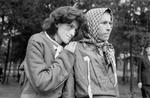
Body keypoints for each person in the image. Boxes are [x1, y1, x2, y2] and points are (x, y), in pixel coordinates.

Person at [19, 6, 85, 98]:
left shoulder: (67, 48)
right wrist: (66, 55)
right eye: (70, 26)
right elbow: (42, 83)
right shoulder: (37, 41)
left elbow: (68, 90)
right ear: (57, 23)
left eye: (75, 29)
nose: (72, 33)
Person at [67, 8, 119, 98]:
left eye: (110, 23)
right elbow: (69, 87)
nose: (109, 28)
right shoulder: (76, 48)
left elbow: (115, 86)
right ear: (92, 24)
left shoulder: (109, 50)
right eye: (104, 23)